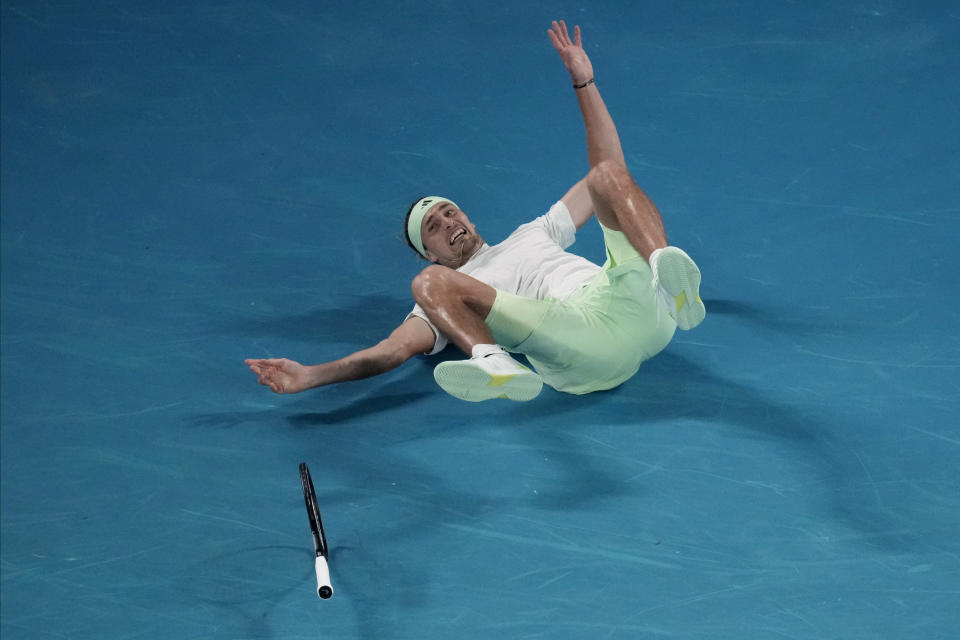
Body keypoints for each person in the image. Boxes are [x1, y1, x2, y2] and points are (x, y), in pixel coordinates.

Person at [246, 20, 705, 402]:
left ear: (469, 218)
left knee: (605, 175)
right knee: (428, 287)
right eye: (433, 225)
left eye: (450, 212)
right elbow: (389, 352)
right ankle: (493, 362)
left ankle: (667, 276)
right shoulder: (440, 296)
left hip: (644, 311)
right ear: (429, 251)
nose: (449, 222)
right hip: (581, 342)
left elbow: (612, 170)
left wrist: (583, 81)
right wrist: (311, 375)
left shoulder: (535, 233)